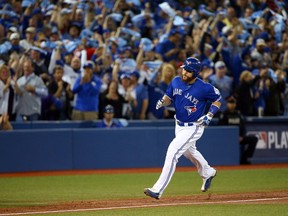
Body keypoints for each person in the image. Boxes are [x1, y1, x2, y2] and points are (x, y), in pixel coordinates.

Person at [144, 57, 222, 199]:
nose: (184, 72)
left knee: (173, 151)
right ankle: (208, 172)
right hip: (178, 124)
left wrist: (210, 115)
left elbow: (218, 99)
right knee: (189, 152)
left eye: (189, 71)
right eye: (184, 69)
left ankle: (157, 189)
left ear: (196, 73)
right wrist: (163, 101)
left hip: (194, 126)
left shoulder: (204, 87)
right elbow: (169, 97)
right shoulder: (176, 81)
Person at [218, 96, 258, 164]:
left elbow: (243, 127)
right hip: (228, 139)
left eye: (233, 103)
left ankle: (244, 159)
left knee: (254, 139)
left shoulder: (238, 114)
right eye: (230, 103)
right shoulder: (224, 114)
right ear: (227, 104)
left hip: (239, 138)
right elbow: (220, 128)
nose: (232, 105)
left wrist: (242, 136)